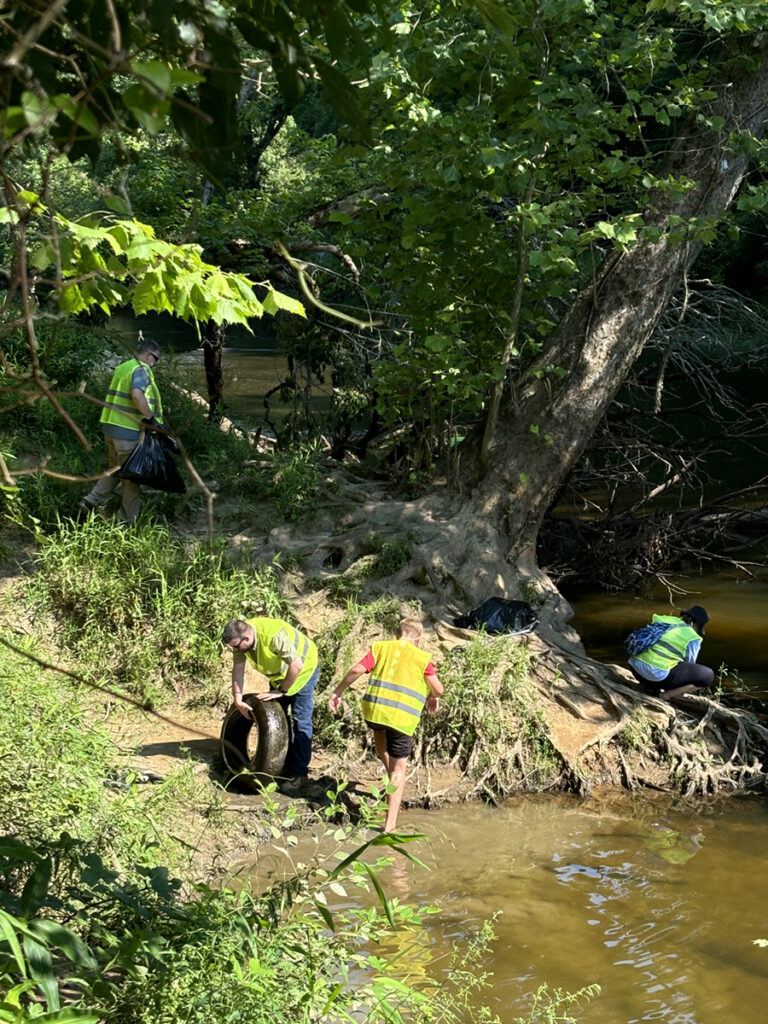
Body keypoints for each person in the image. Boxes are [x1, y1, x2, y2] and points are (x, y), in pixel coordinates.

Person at [328, 617, 443, 833]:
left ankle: (390, 782)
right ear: (418, 639)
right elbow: (438, 689)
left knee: (382, 747)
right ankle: (390, 825)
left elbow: (356, 670)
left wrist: (338, 691)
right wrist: (432, 696)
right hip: (401, 718)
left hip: (375, 711)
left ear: (397, 635)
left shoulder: (381, 647)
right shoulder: (422, 657)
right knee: (399, 768)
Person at [221, 616, 319, 794]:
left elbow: (296, 665)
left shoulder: (273, 636)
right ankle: (284, 767)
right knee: (280, 720)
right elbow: (238, 670)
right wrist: (238, 699)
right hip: (281, 676)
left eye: (236, 647)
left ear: (247, 639)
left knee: (300, 721)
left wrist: (281, 690)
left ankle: (299, 776)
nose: (235, 650)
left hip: (303, 671)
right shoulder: (241, 641)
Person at [79, 336, 167, 523]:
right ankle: (127, 522)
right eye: (156, 359)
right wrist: (151, 419)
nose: (155, 364)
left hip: (111, 427)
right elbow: (136, 395)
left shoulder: (124, 367)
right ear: (149, 355)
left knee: (116, 468)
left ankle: (90, 501)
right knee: (132, 478)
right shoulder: (142, 369)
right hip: (128, 432)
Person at [628, 605, 714, 700]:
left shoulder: (663, 619)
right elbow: (689, 663)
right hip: (656, 677)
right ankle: (666, 695)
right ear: (695, 623)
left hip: (635, 669)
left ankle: (650, 687)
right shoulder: (693, 637)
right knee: (707, 675)